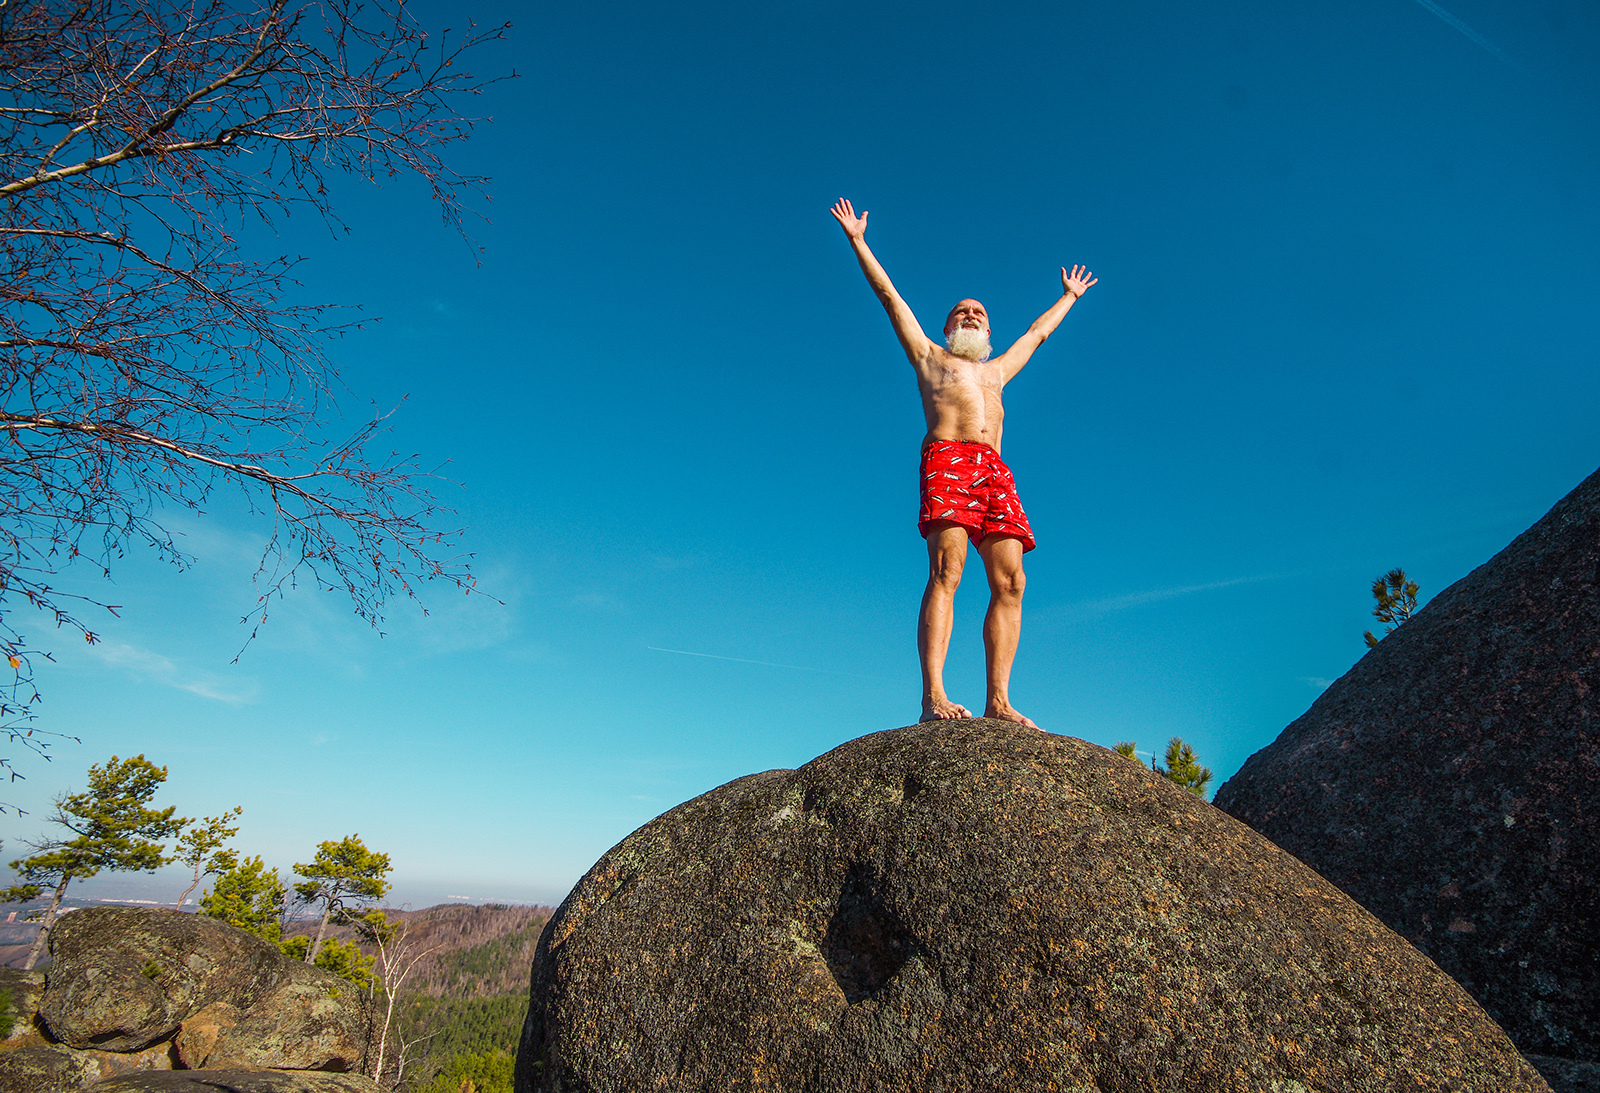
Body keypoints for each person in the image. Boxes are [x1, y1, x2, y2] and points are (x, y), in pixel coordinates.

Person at [830, 197, 1096, 729]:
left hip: (994, 470)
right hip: (949, 458)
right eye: (961, 311)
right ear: (949, 326)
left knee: (1013, 582)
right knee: (948, 570)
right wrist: (859, 240)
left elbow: (1037, 336)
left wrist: (1068, 296)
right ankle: (934, 697)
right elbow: (889, 296)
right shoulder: (931, 357)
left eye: (979, 313)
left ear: (989, 333)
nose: (970, 315)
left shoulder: (996, 372)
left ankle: (999, 701)